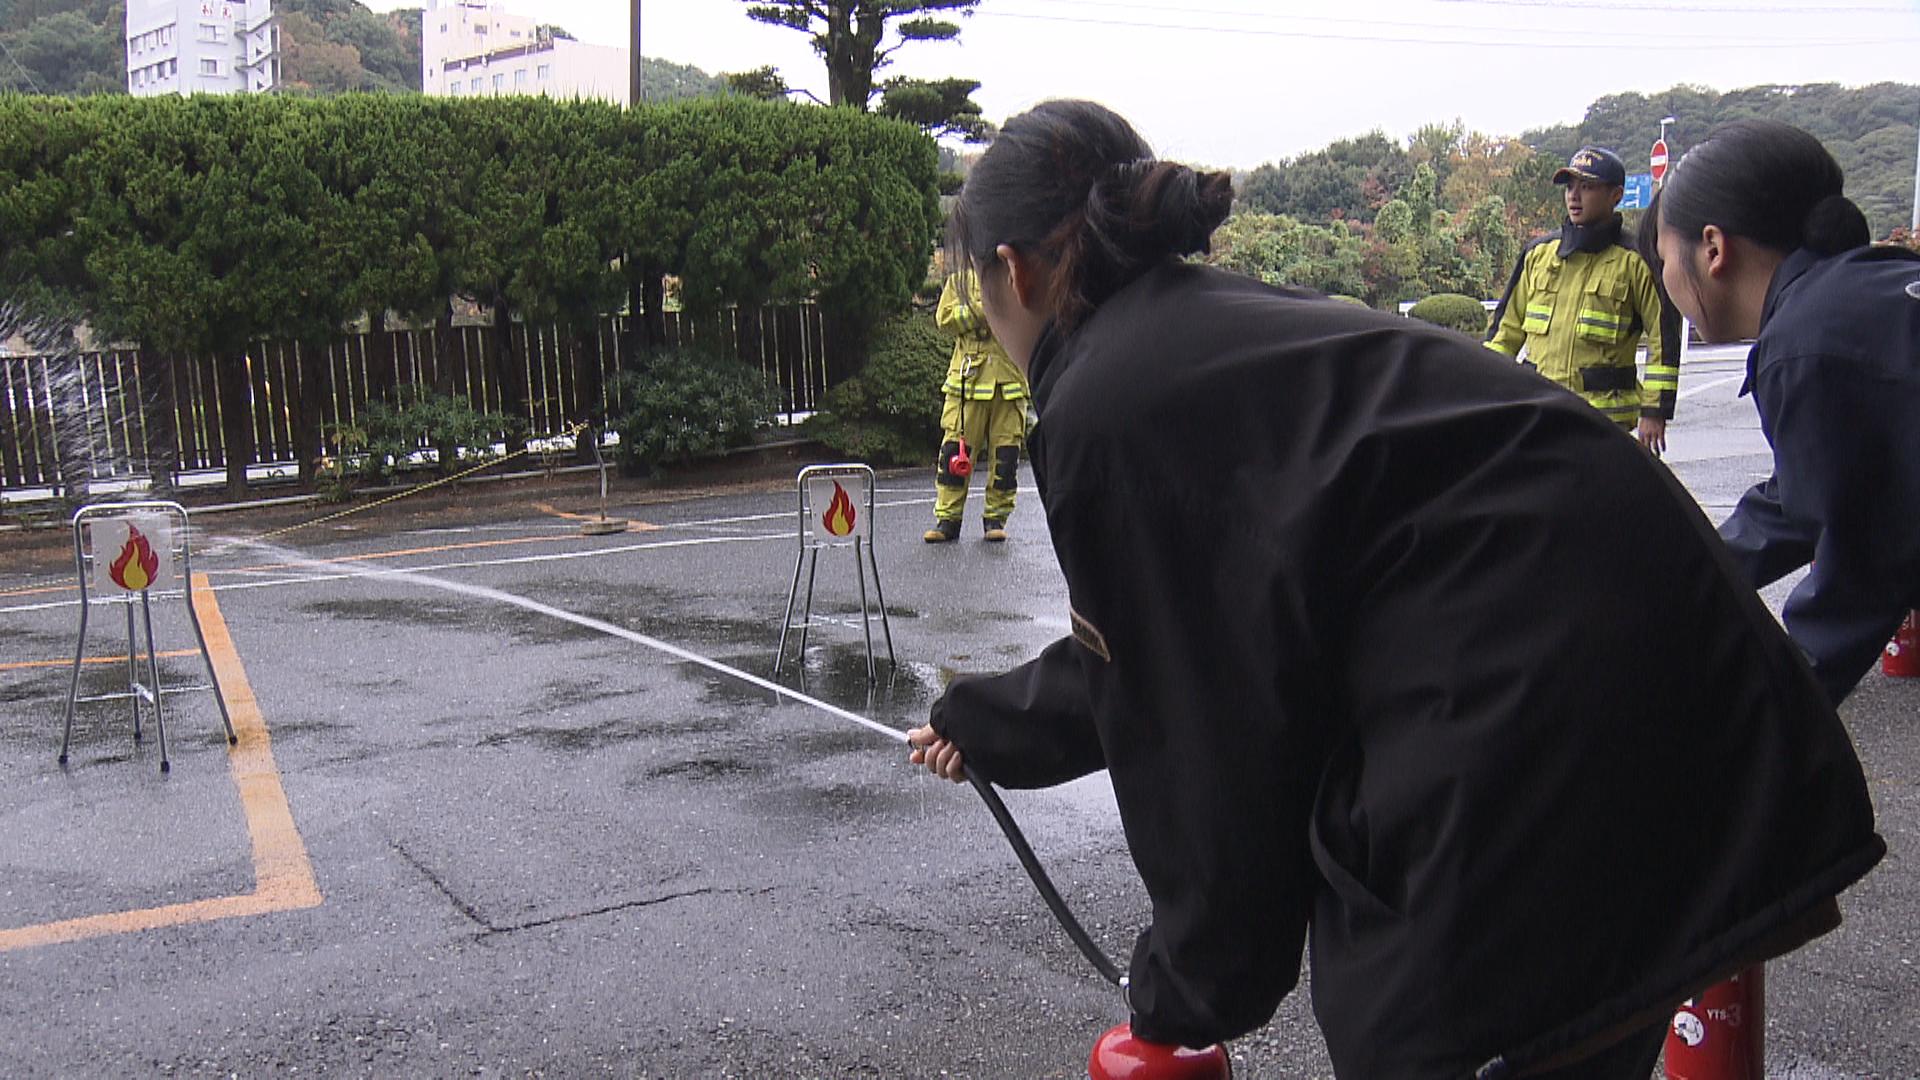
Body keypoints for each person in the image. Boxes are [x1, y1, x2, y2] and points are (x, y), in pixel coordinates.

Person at [904, 99, 1883, 1079]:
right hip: (1683, 690)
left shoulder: (1109, 401)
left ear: (1012, 269)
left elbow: (1203, 738)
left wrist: (1189, 990)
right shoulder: (1212, 333)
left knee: (1426, 1029)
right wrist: (988, 723)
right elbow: (1171, 643)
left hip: (1537, 729)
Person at [1642, 118, 1920, 705]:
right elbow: (1807, 495)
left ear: (1713, 249)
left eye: (1664, 259)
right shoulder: (1858, 297)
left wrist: (1758, 711)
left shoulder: (1804, 346)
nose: (1666, 280)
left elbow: (1858, 573)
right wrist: (1688, 575)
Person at [1486, 146, 1683, 453]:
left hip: (1604, 424)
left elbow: (1664, 337)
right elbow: (1505, 332)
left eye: (1587, 187)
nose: (1573, 196)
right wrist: (1484, 391)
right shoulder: (1538, 255)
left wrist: (1654, 411)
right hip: (1541, 414)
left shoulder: (1637, 261)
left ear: (1616, 196)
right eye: (1569, 187)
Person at [924, 270, 1029, 543]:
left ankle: (995, 518)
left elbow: (1027, 311)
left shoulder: (1015, 273)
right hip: (968, 381)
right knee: (955, 454)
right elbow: (944, 317)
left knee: (1006, 457)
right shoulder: (960, 279)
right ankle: (948, 520)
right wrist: (983, 312)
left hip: (1008, 380)